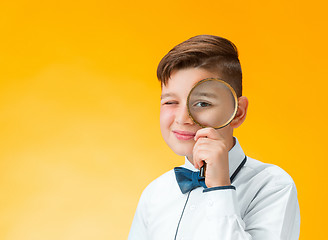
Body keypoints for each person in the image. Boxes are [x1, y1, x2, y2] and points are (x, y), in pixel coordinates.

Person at [128, 35, 300, 240]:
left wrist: (220, 189)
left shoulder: (272, 186)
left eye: (202, 103)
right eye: (170, 102)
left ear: (238, 112)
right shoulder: (154, 193)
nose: (183, 118)